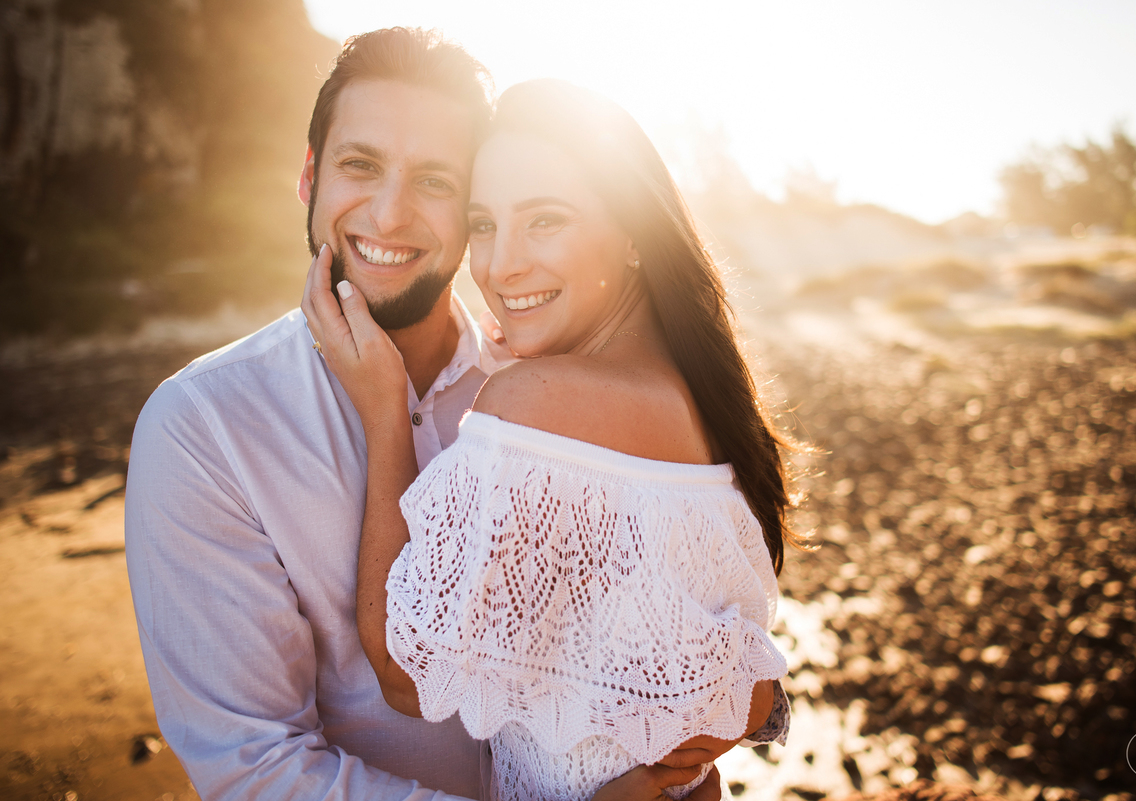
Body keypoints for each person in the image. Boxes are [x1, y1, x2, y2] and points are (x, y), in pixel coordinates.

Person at [125, 28, 766, 800]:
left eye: (435, 182)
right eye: (360, 166)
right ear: (308, 178)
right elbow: (253, 768)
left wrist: (716, 724)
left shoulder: (535, 389)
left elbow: (660, 618)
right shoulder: (205, 427)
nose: (390, 215)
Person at [303, 78, 794, 801]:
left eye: (545, 221)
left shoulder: (533, 404)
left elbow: (408, 672)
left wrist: (385, 408)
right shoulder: (705, 398)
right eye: (483, 224)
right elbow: (726, 670)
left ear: (633, 235)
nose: (500, 266)